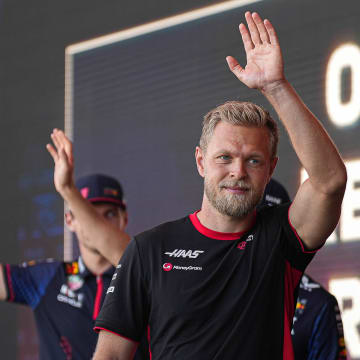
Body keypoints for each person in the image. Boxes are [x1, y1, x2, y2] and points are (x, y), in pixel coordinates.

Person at [93, 11, 347, 359]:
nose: (238, 171)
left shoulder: (281, 239)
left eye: (253, 161)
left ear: (271, 168)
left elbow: (330, 181)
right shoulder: (149, 249)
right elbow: (111, 354)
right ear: (200, 161)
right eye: (224, 157)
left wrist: (275, 87)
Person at [0, 129, 148, 359]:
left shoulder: (143, 277)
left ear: (124, 219)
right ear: (69, 220)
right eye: (88, 213)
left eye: (108, 214)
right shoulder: (49, 277)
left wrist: (67, 190)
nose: (98, 223)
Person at [259, 178, 347, 359]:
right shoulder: (213, 284)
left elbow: (331, 179)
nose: (258, 232)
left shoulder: (317, 303)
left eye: (269, 222)